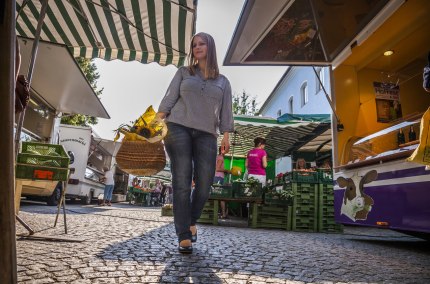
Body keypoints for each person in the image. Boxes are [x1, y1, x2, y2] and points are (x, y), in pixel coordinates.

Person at [156, 32, 234, 254]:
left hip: (207, 133)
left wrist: (226, 135)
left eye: (202, 44)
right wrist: (151, 125)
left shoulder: (223, 81)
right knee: (181, 180)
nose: (197, 47)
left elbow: (226, 111)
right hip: (177, 127)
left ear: (210, 47)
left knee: (204, 183)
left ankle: (191, 220)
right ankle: (183, 235)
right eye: (194, 45)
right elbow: (169, 98)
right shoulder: (184, 72)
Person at [214, 146, 230, 219]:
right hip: (218, 178)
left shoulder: (216, 157)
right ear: (223, 150)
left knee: (216, 196)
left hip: (215, 177)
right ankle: (223, 214)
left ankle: (220, 213)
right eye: (227, 149)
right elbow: (218, 169)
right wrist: (226, 170)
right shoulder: (220, 157)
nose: (228, 151)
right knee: (221, 196)